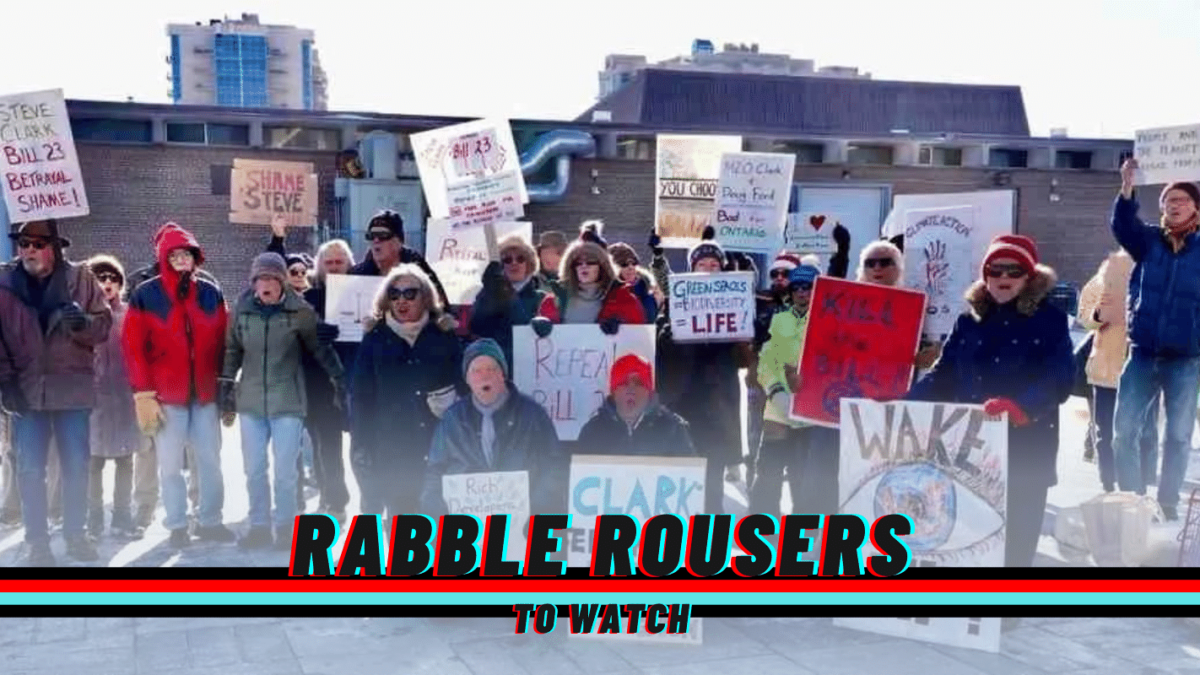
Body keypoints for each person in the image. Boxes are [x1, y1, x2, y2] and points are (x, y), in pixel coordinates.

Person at [908, 234, 1074, 567]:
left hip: (1027, 442)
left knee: (1017, 529)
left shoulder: (1050, 320)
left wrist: (1022, 407)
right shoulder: (968, 321)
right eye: (995, 270)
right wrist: (900, 402)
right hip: (972, 447)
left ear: (1029, 277)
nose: (1003, 279)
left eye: (1013, 271)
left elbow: (1060, 378)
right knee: (971, 527)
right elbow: (944, 376)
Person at [0, 220, 113, 565]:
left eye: (37, 243)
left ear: (55, 247)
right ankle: (37, 544)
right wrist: (5, 382)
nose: (29, 250)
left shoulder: (81, 278)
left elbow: (103, 327)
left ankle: (76, 536)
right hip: (26, 390)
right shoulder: (3, 281)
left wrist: (83, 324)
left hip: (72, 389)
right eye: (23, 243)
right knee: (30, 469)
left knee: (76, 466)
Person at [221, 253, 347, 550]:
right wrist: (225, 387)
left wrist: (340, 379)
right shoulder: (242, 309)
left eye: (271, 279)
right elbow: (232, 350)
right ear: (253, 282)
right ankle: (260, 525)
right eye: (260, 279)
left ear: (281, 282)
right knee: (254, 468)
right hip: (251, 400)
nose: (265, 285)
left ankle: (287, 528)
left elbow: (320, 350)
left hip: (288, 400)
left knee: (285, 470)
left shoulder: (300, 311)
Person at [123, 222, 235, 548]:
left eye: (186, 253)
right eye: (174, 255)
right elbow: (133, 347)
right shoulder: (146, 295)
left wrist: (226, 387)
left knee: (210, 462)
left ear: (195, 257)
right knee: (170, 465)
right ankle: (176, 525)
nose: (181, 260)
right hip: (165, 396)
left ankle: (211, 520)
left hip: (205, 394)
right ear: (163, 258)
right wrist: (143, 392)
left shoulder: (211, 292)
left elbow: (225, 342)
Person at [1109, 159, 1200, 520]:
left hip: (1186, 359)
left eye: (1182, 199)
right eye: (1168, 200)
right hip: (1143, 353)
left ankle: (1167, 503)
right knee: (1123, 433)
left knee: (1177, 438)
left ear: (1195, 207)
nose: (1174, 205)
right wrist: (1127, 187)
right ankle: (1133, 501)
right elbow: (1121, 224)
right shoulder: (1148, 242)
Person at [350, 265, 464, 520]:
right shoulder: (375, 337)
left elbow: (462, 384)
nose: (402, 300)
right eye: (394, 293)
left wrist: (449, 398)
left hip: (436, 441)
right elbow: (360, 394)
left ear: (425, 297)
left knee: (437, 517)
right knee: (400, 517)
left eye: (410, 293)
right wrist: (362, 443)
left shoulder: (443, 334)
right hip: (391, 444)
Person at [653, 226, 753, 513]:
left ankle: (710, 549)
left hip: (718, 407)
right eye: (701, 264)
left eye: (714, 265)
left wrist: (744, 338)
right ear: (692, 268)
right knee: (680, 483)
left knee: (712, 485)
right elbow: (662, 347)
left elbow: (742, 360)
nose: (708, 269)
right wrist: (672, 331)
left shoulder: (734, 305)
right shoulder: (675, 305)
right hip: (682, 403)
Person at [420, 338, 565, 517]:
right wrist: (439, 512)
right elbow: (435, 473)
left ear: (502, 374)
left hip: (523, 530)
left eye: (491, 368)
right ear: (467, 379)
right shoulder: (452, 419)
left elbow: (554, 466)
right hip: (468, 533)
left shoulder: (532, 415)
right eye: (476, 370)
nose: (484, 376)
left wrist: (537, 510)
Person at [750, 262, 832, 518]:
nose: (801, 292)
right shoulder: (779, 317)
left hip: (812, 412)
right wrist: (777, 391)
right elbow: (766, 358)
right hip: (778, 409)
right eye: (797, 287)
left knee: (804, 476)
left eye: (808, 287)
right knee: (767, 473)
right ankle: (762, 530)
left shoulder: (828, 321)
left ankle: (805, 533)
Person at [1077, 250, 1160, 494]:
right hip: (1106, 370)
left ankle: (1139, 492)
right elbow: (1085, 317)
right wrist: (1099, 314)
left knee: (1141, 433)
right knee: (1105, 434)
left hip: (1144, 370)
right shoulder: (1104, 276)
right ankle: (1110, 489)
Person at [85, 255, 144, 540]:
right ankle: (93, 520)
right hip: (92, 400)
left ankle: (122, 517)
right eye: (101, 277)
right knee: (92, 463)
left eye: (113, 278)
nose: (107, 283)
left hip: (124, 399)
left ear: (120, 284)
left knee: (125, 461)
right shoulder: (82, 314)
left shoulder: (130, 315)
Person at [299, 238, 356, 520]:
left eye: (339, 261)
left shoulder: (367, 292)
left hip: (358, 378)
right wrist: (315, 335)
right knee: (325, 445)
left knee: (363, 446)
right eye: (329, 262)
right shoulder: (308, 299)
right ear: (320, 266)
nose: (334, 266)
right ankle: (333, 499)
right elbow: (297, 340)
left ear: (349, 263)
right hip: (320, 383)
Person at [576, 354, 696, 458]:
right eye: (623, 383)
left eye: (639, 383)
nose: (631, 389)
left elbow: (690, 476)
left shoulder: (674, 428)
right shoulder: (592, 431)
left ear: (649, 392)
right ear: (613, 391)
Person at [533, 222, 645, 333]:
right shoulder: (553, 301)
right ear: (571, 266)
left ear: (602, 266)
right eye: (578, 262)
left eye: (590, 261)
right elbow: (539, 343)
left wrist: (624, 327)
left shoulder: (625, 300)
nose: (584, 266)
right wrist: (539, 326)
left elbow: (639, 340)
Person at [855, 240, 942, 370]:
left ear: (898, 267)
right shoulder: (846, 303)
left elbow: (932, 341)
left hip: (898, 381)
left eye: (885, 263)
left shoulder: (915, 304)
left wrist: (932, 353)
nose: (877, 268)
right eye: (870, 263)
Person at [469, 234, 544, 368]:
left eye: (520, 259)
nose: (514, 263)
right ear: (500, 266)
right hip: (494, 368)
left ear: (529, 264)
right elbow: (476, 326)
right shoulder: (486, 294)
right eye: (507, 260)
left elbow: (525, 331)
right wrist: (489, 291)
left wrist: (507, 294)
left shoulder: (541, 298)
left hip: (529, 368)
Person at [351, 210, 450, 309]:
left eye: (383, 235)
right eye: (371, 236)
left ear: (398, 241)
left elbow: (440, 307)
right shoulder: (357, 275)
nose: (376, 240)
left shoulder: (420, 271)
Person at [608, 242, 659, 322]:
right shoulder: (607, 295)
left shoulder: (648, 291)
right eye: (623, 264)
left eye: (634, 263)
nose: (630, 267)